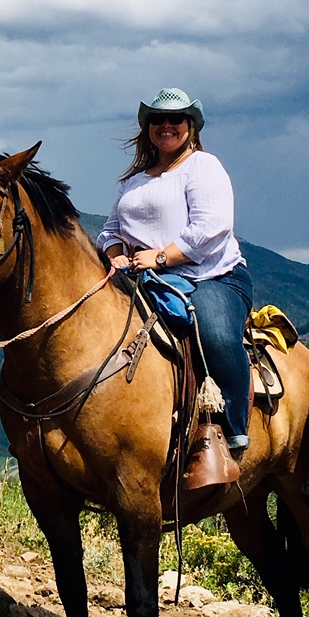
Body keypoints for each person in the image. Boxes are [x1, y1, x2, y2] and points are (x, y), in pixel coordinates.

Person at [98, 89, 255, 450]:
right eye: (158, 119)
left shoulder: (202, 166)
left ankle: (233, 430)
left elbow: (212, 228)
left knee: (215, 336)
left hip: (211, 277)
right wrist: (116, 253)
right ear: (147, 127)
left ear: (191, 126)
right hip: (145, 278)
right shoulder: (133, 180)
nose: (166, 125)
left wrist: (161, 257)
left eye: (176, 118)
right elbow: (109, 230)